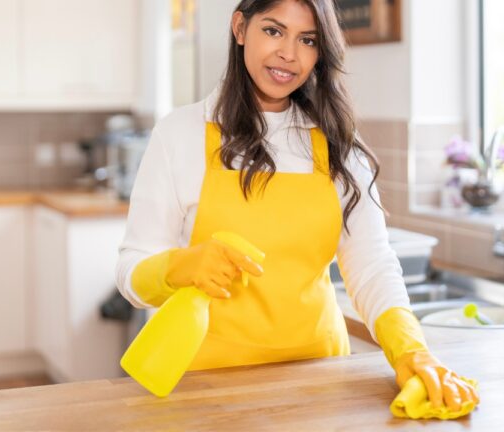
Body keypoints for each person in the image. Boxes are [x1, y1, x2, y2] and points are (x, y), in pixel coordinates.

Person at [116, 0, 479, 414]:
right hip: (205, 386)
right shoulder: (180, 134)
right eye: (273, 31)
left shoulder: (339, 143)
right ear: (240, 28)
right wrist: (175, 267)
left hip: (320, 380)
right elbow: (131, 269)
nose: (289, 53)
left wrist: (409, 348)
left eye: (307, 39)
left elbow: (372, 262)